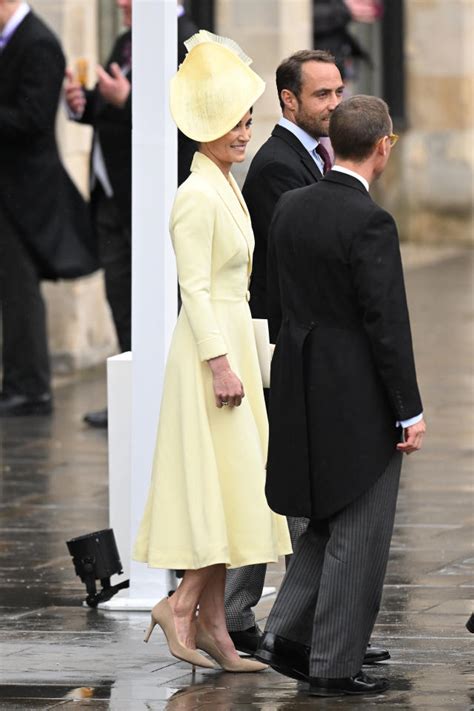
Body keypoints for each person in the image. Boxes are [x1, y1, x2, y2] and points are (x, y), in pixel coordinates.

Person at [254, 95, 426, 697]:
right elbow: (387, 324)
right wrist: (409, 408)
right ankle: (331, 664)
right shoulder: (371, 221)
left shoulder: (291, 207)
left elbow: (274, 300)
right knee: (361, 529)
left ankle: (286, 636)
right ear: (383, 146)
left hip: (300, 381)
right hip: (357, 395)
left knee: (323, 520)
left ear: (331, 144)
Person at [132, 30, 291, 673]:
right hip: (208, 354)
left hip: (232, 343)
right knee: (223, 489)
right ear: (205, 128)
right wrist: (220, 362)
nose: (243, 133)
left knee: (236, 491)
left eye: (248, 121)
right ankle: (183, 604)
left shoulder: (224, 183)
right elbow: (192, 288)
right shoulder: (195, 194)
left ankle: (216, 629)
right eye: (232, 123)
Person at [225, 50, 389, 667]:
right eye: (322, 94)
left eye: (339, 92)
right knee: (298, 497)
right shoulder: (276, 167)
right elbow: (304, 260)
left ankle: (287, 624)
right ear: (288, 101)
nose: (335, 104)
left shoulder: (312, 161)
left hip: (299, 345)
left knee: (292, 492)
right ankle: (311, 631)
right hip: (287, 346)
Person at [65, 0, 198, 429]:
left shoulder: (189, 42)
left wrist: (129, 99)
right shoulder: (127, 40)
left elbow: (188, 120)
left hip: (152, 197)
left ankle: (167, 393)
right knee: (120, 293)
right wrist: (80, 104)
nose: (122, 3)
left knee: (160, 296)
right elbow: (113, 106)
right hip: (109, 193)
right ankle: (129, 390)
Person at [0, 0, 97, 417]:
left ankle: (30, 387)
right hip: (10, 188)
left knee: (19, 287)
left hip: (26, 193)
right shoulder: (15, 39)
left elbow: (33, 120)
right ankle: (20, 381)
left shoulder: (38, 41)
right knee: (13, 288)